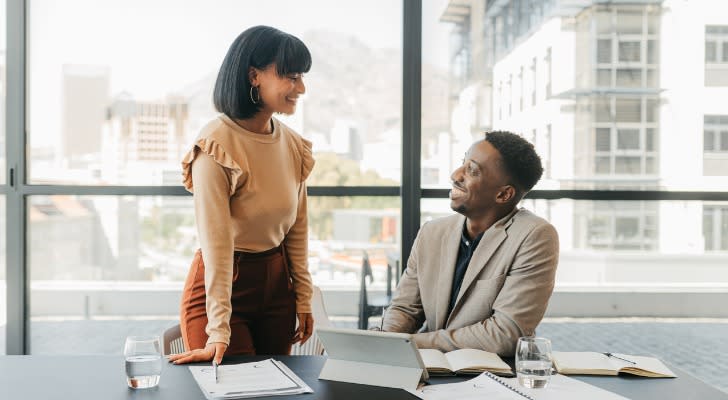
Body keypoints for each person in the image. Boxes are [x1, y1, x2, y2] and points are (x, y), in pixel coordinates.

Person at [169, 26, 315, 365]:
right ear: (254, 76)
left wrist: (303, 298)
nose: (301, 88)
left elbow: (297, 229)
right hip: (223, 283)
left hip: (278, 287)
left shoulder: (293, 145)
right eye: (290, 76)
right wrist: (218, 329)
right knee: (233, 388)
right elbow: (216, 244)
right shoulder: (217, 145)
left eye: (301, 77)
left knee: (276, 388)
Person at [381, 131, 559, 356]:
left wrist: (410, 344)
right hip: (430, 367)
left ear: (504, 195)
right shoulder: (432, 232)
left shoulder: (535, 236)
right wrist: (384, 342)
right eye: (462, 164)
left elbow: (504, 335)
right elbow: (405, 308)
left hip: (490, 376)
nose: (456, 175)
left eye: (472, 170)